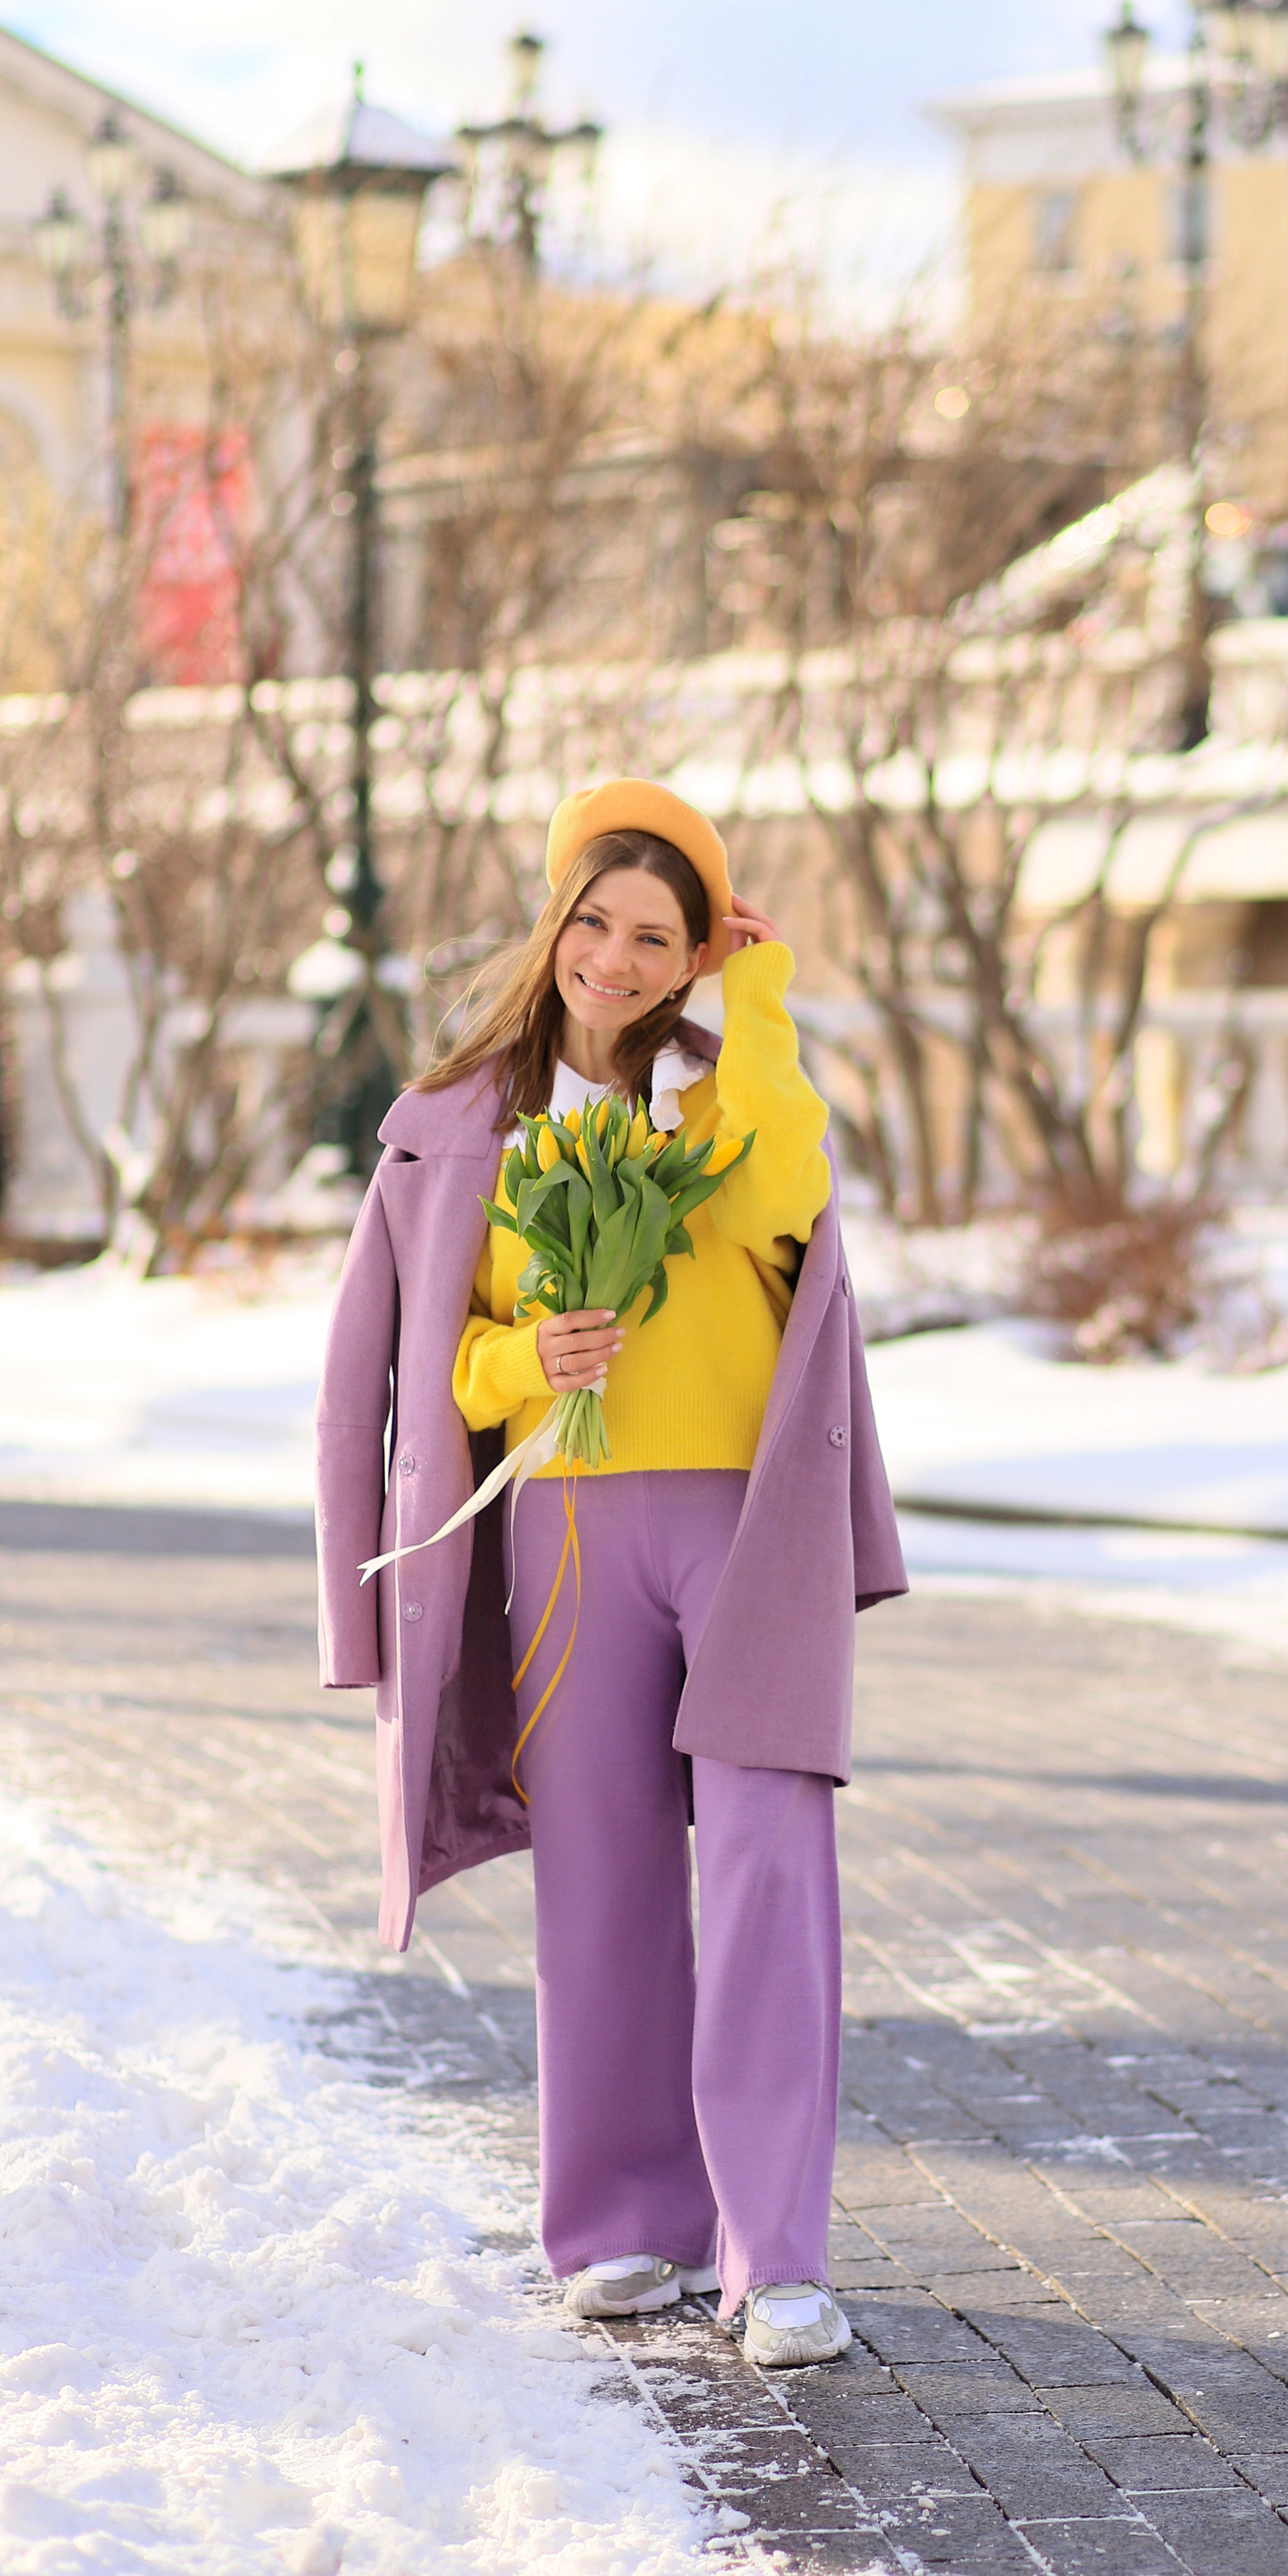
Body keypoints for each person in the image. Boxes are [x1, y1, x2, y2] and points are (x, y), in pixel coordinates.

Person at [314, 777, 907, 2372]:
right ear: (554, 924)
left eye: (662, 935)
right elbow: (410, 1363)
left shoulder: (729, 1099)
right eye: (596, 920)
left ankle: (777, 2253)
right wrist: (523, 1358)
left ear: (696, 950)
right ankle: (626, 2222)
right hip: (566, 1532)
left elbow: (788, 1194)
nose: (620, 958)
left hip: (745, 1527)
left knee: (773, 1860)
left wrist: (762, 994)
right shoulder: (457, 1123)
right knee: (606, 1880)